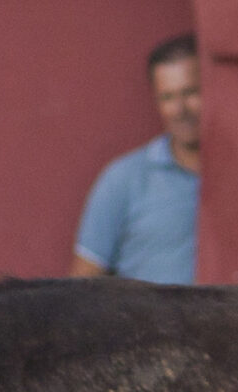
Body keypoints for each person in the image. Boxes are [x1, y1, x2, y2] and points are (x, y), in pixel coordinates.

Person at [71, 36, 202, 282]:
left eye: (190, 92)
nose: (180, 110)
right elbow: (82, 285)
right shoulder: (123, 178)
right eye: (168, 97)